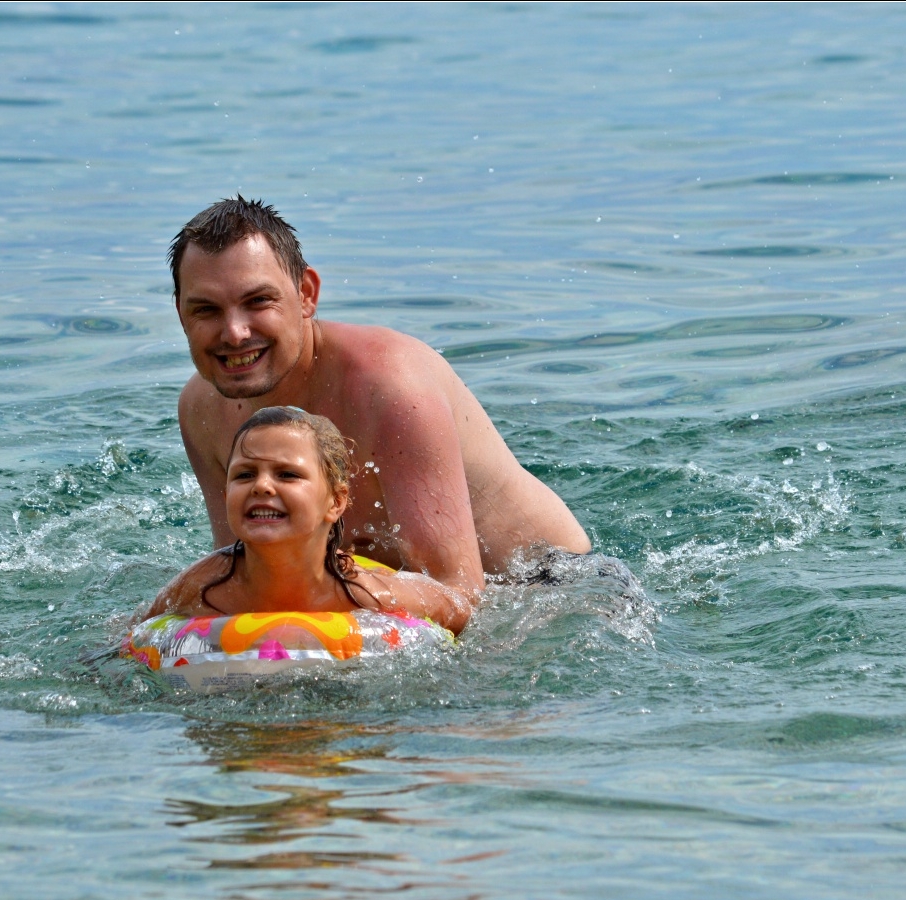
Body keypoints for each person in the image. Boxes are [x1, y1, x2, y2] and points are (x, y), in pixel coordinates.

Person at [172, 196, 591, 601]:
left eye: (258, 301)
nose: (234, 333)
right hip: (396, 599)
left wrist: (334, 588)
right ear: (180, 313)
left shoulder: (392, 387)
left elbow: (461, 593)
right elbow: (245, 565)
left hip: (551, 590)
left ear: (306, 294)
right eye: (206, 309)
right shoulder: (202, 409)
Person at [143, 406, 471, 635]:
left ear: (336, 501)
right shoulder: (204, 587)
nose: (261, 486)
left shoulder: (364, 594)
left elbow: (457, 610)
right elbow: (134, 636)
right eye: (244, 475)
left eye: (287, 474)